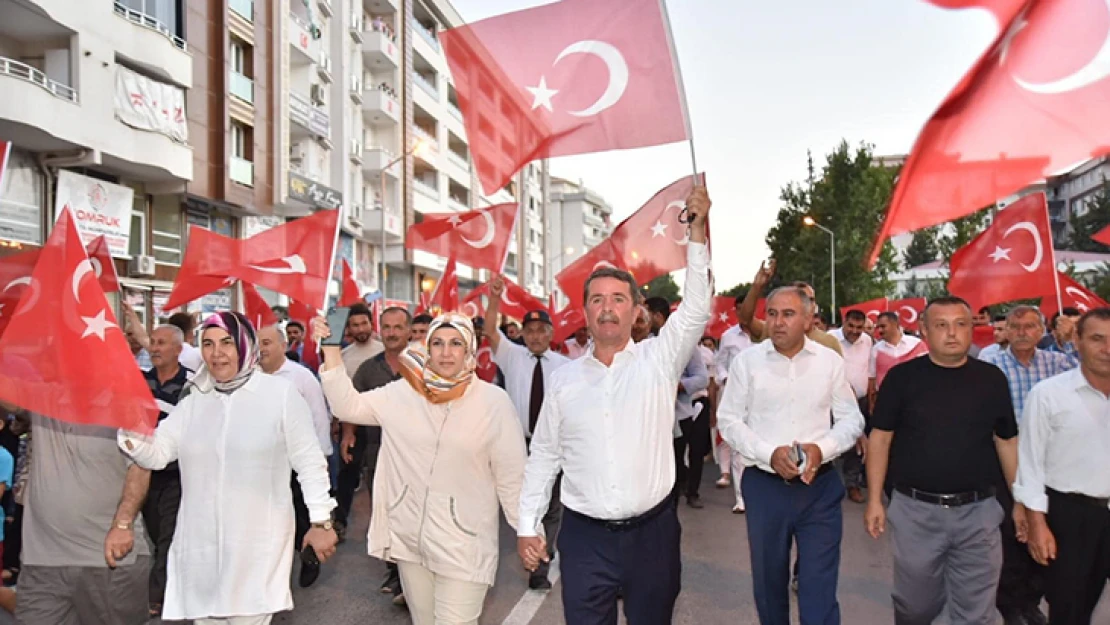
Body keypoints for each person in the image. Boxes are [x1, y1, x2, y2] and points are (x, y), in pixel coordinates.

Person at [517, 186, 712, 624]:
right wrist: (527, 524)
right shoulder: (564, 380)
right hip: (585, 538)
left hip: (653, 535)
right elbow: (545, 454)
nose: (607, 309)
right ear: (584, 311)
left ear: (636, 311)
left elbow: (697, 308)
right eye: (597, 300)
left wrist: (697, 231)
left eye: (618, 299)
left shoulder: (659, 360)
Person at [119, 312, 337, 625]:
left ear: (245, 346)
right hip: (201, 548)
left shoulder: (280, 395)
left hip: (257, 546)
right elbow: (159, 453)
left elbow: (310, 463)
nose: (216, 352)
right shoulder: (195, 398)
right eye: (207, 343)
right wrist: (130, 431)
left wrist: (321, 523)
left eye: (226, 343)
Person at [317, 313, 527, 625]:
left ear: (469, 350)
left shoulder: (492, 402)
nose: (446, 352)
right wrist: (331, 350)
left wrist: (526, 529)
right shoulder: (403, 392)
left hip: (464, 544)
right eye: (438, 343)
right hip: (410, 540)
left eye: (456, 343)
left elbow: (512, 475)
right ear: (426, 348)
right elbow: (348, 407)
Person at [865, 296, 1019, 624]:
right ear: (923, 330)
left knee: (976, 610)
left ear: (973, 329)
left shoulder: (991, 379)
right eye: (941, 325)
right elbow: (880, 439)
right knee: (915, 606)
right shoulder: (902, 379)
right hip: (916, 512)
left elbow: (1006, 441)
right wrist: (875, 500)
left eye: (960, 324)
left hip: (979, 513)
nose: (952, 333)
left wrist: (1021, 502)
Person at [717, 285, 864, 625]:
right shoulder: (747, 362)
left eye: (788, 314)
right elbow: (729, 420)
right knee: (769, 584)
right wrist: (770, 454)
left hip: (820, 488)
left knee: (819, 587)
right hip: (765, 488)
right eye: (771, 314)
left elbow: (851, 418)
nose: (778, 322)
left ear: (809, 319)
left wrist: (820, 449)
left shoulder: (829, 362)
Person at [983, 305, 1078, 625]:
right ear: (1006, 331)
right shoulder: (990, 364)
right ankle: (1009, 604)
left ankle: (1031, 599)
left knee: (1048, 530)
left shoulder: (1060, 363)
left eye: (1029, 326)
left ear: (1042, 331)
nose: (1022, 332)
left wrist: (1072, 339)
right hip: (1005, 462)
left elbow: (1094, 380)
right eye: (1015, 326)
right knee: (1013, 532)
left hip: (1052, 463)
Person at [1015, 307, 1110, 625]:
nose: (1107, 348)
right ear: (1077, 341)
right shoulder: (1048, 395)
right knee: (1070, 610)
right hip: (1071, 518)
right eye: (1097, 339)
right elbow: (1030, 464)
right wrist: (1037, 523)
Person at [484, 277, 571, 590]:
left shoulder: (565, 366)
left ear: (550, 334)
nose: (535, 336)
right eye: (529, 331)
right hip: (518, 444)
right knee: (523, 504)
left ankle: (540, 568)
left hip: (551, 446)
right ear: (522, 334)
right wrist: (494, 299)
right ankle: (528, 545)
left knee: (551, 507)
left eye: (541, 331)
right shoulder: (512, 356)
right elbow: (490, 331)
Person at [257, 324, 333, 589]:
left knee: (301, 515)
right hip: (264, 465)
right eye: (258, 343)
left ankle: (308, 556)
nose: (261, 349)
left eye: (266, 342)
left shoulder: (302, 378)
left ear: (282, 345)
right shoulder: (250, 376)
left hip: (297, 464)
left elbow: (319, 418)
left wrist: (321, 458)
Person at [347, 306, 412, 603]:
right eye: (386, 327)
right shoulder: (367, 369)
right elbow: (352, 404)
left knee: (412, 514)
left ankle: (411, 576)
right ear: (380, 330)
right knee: (386, 513)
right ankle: (395, 571)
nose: (392, 333)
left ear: (408, 330)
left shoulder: (425, 365)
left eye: (398, 327)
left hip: (417, 457)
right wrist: (348, 434)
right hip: (378, 455)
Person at [141, 325, 193, 618]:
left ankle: (159, 594)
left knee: (168, 536)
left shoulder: (193, 384)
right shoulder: (140, 381)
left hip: (178, 474)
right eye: (153, 342)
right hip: (146, 473)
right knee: (155, 531)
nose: (155, 348)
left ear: (178, 348)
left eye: (162, 343)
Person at [644, 296, 710, 510]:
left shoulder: (684, 345)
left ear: (657, 316)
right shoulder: (643, 345)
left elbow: (702, 378)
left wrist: (678, 385)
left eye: (646, 314)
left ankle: (690, 492)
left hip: (680, 414)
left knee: (683, 456)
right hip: (651, 415)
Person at [737, 261, 843, 357]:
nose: (807, 304)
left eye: (811, 300)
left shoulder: (829, 343)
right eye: (801, 299)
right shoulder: (775, 330)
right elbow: (746, 320)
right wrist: (757, 286)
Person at [714, 300, 755, 513]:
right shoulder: (729, 336)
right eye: (740, 310)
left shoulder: (765, 334)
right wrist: (725, 377)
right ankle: (740, 497)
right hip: (735, 396)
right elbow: (719, 362)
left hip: (760, 398)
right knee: (736, 445)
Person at [830, 309, 873, 504]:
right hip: (834, 401)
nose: (855, 331)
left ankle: (852, 484)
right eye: (851, 326)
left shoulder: (868, 341)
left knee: (855, 446)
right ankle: (823, 487)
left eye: (859, 327)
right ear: (843, 322)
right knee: (831, 443)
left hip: (861, 401)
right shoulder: (830, 340)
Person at [867, 311, 928, 414]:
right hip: (886, 402)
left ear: (895, 324)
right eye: (878, 327)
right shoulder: (876, 349)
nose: (880, 330)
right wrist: (871, 404)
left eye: (883, 326)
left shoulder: (917, 345)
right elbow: (872, 379)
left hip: (915, 401)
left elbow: (928, 374)